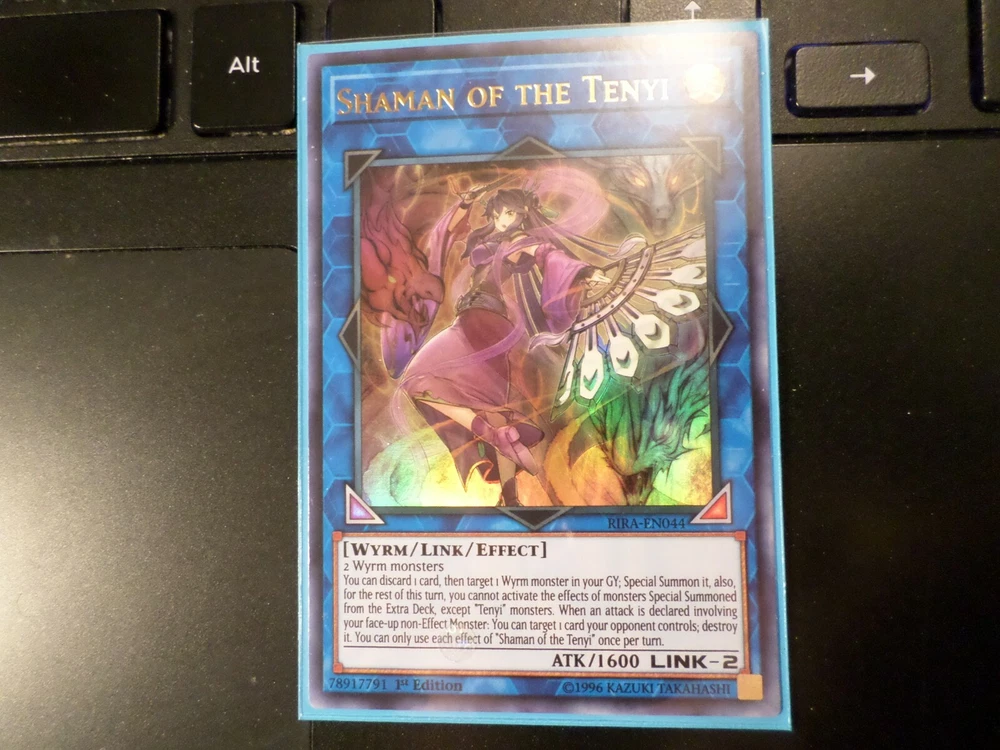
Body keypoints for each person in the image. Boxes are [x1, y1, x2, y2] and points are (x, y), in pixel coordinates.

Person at [398, 184, 610, 506]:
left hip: (483, 321)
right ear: (494, 215)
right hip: (475, 321)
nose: (507, 221)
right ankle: (509, 495)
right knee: (492, 409)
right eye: (503, 214)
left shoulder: (517, 242)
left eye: (513, 214)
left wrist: (586, 272)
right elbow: (447, 236)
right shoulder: (490, 241)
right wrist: (465, 204)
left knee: (417, 378)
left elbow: (545, 253)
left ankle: (487, 433)